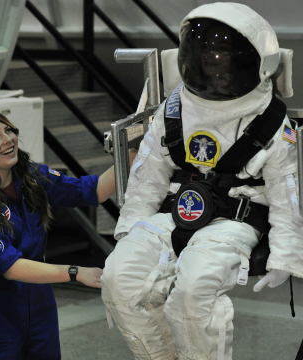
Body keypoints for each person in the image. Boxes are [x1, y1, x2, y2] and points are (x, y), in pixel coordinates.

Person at [101, 3, 302, 360]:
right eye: (205, 48)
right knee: (119, 281)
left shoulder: (270, 120)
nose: (211, 56)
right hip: (176, 208)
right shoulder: (175, 107)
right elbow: (148, 176)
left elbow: (287, 194)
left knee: (192, 295)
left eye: (222, 49)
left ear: (256, 59)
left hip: (236, 217)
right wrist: (130, 228)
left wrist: (285, 258)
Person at [0, 109, 133, 360]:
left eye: (9, 130)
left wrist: (134, 154)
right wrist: (75, 272)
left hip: (40, 303)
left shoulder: (32, 177)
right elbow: (11, 267)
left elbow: (94, 191)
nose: (8, 139)